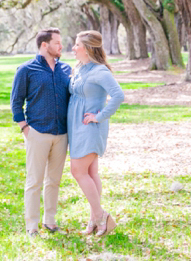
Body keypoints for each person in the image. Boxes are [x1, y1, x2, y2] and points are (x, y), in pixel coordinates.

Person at [10, 28, 72, 237]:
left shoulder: (66, 69)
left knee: (53, 180)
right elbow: (16, 102)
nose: (61, 47)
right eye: (57, 43)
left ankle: (50, 221)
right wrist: (24, 128)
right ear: (44, 45)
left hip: (62, 134)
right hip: (37, 132)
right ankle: (32, 225)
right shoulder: (26, 69)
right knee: (34, 181)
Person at [68, 30, 125, 237]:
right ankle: (95, 220)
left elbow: (118, 95)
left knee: (78, 171)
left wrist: (100, 116)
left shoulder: (100, 71)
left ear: (88, 48)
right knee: (91, 173)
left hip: (90, 128)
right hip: (77, 127)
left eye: (77, 45)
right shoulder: (81, 68)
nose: (73, 49)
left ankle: (102, 217)